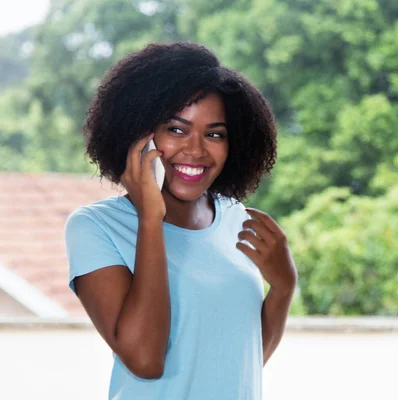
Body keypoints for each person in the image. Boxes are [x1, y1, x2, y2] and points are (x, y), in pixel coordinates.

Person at [64, 42, 297, 400]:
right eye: (176, 129)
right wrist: (150, 218)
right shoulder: (96, 228)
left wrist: (283, 288)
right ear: (138, 133)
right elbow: (145, 359)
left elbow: (238, 362)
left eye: (214, 134)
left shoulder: (238, 220)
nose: (196, 149)